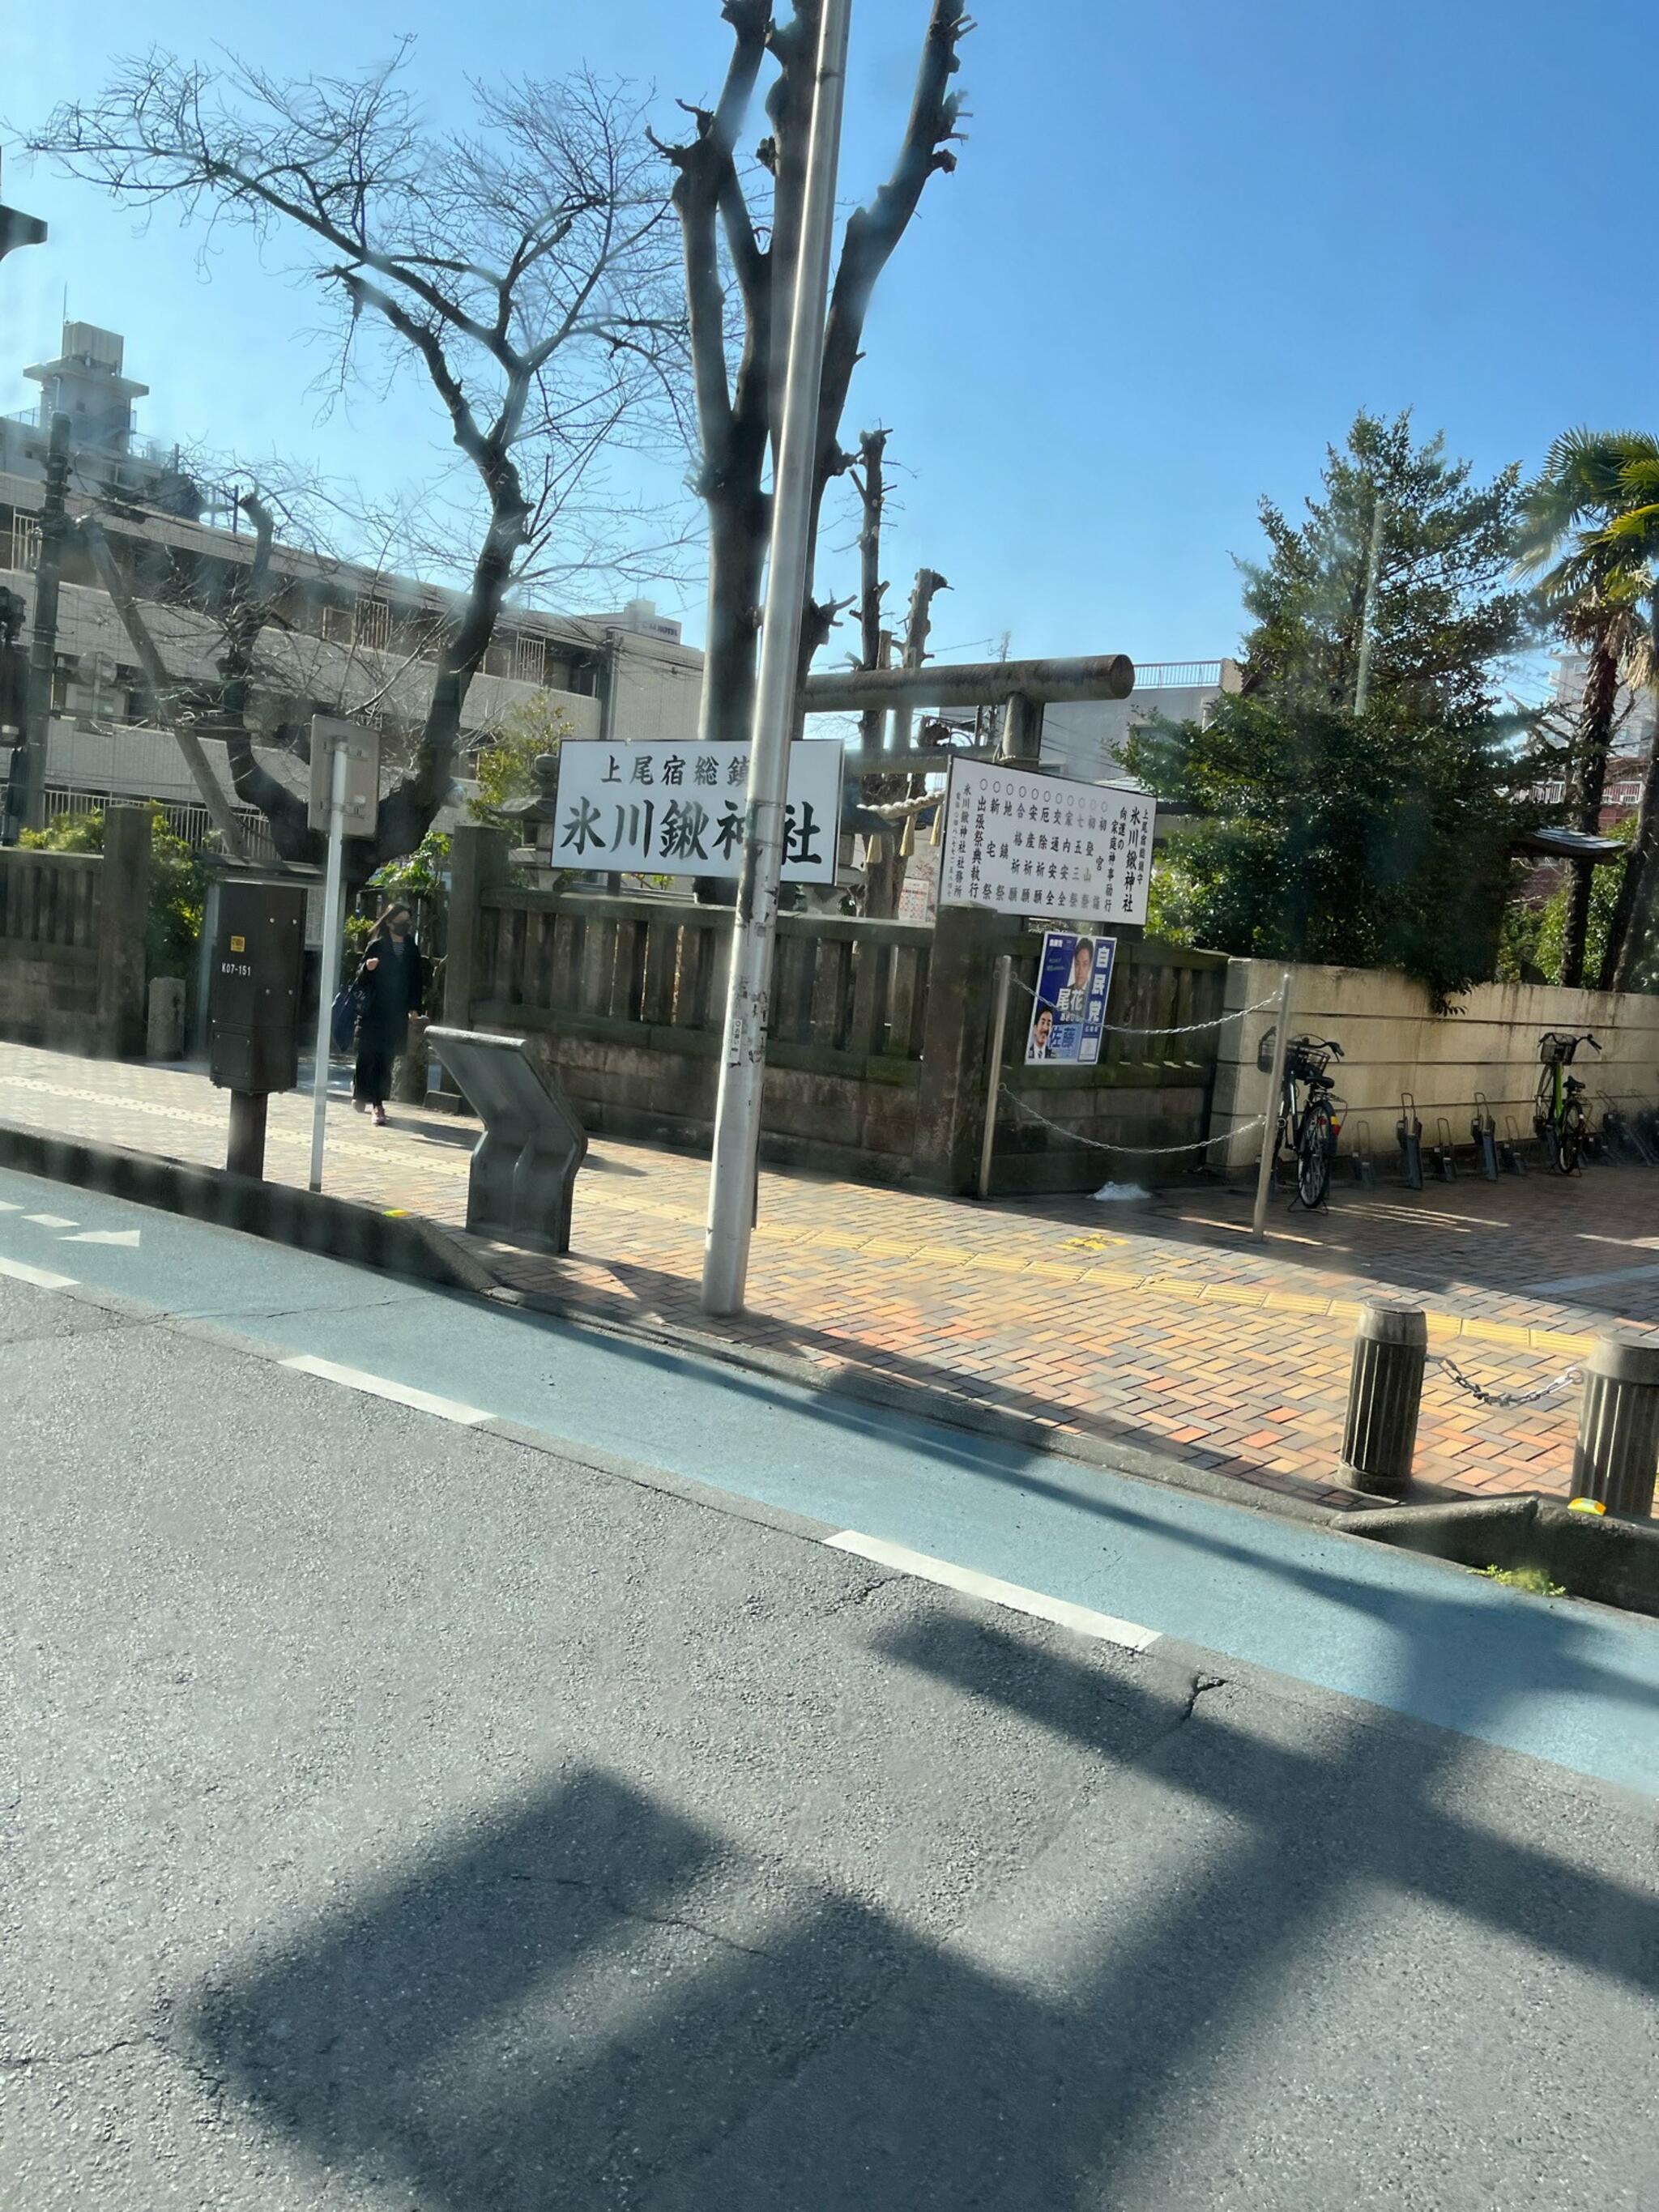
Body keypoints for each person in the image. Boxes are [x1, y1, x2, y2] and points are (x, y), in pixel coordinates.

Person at [352, 902, 425, 1126]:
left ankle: (378, 1105)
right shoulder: (376, 946)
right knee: (367, 1057)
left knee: (385, 1059)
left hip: (396, 1013)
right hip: (373, 1012)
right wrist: (368, 968)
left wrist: (414, 1007)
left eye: (409, 920)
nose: (406, 924)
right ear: (390, 922)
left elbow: (416, 980)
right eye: (402, 920)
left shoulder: (411, 947)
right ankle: (360, 1090)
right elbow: (359, 978)